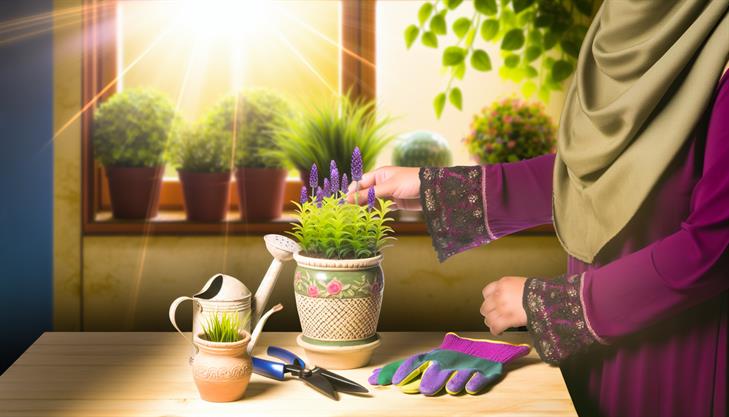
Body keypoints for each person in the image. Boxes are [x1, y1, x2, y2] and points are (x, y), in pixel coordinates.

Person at [349, 2, 729, 416]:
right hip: (594, 353)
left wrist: (556, 304)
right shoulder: (619, 31)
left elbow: (713, 250)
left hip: (678, 363)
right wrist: (433, 188)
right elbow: (599, 175)